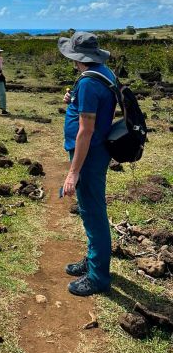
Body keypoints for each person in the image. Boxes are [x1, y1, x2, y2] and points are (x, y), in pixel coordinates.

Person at [58, 31, 116, 296]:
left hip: (90, 155)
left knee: (93, 213)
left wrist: (73, 172)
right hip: (97, 151)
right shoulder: (103, 73)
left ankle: (98, 276)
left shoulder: (89, 83)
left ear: (77, 57)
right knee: (91, 210)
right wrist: (74, 100)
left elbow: (86, 130)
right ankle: (93, 260)